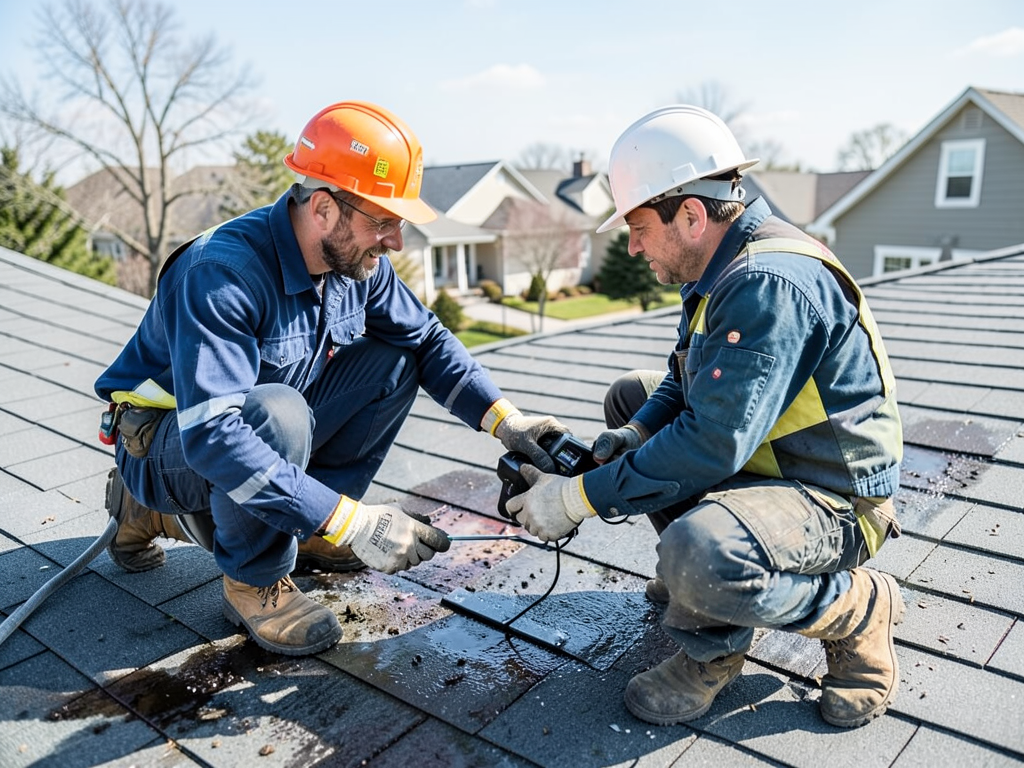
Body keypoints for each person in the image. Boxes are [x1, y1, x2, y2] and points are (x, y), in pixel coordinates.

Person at [95, 101, 565, 657]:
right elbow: (214, 436)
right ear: (322, 208)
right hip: (164, 447)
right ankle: (251, 575)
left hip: (249, 434)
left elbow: (428, 341)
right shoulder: (221, 274)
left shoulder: (355, 263)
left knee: (393, 359)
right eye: (382, 221)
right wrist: (355, 523)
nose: (395, 241)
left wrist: (506, 422)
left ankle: (310, 529)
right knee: (276, 412)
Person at [506, 105, 904, 729]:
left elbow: (712, 444)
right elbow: (682, 376)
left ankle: (854, 606)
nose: (632, 246)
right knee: (627, 398)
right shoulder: (721, 265)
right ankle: (715, 621)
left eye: (637, 227)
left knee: (697, 552)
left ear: (690, 214)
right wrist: (633, 433)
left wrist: (575, 499)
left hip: (833, 498)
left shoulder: (767, 283)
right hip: (767, 461)